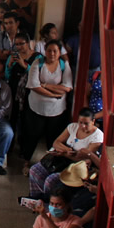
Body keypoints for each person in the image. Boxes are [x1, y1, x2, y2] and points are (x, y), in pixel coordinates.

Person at [20, 41, 73, 171]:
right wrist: (54, 94)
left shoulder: (63, 65)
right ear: (45, 51)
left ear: (60, 52)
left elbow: (66, 88)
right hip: (36, 108)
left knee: (53, 138)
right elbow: (34, 85)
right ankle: (26, 162)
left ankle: (51, 165)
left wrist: (45, 85)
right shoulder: (38, 64)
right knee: (32, 135)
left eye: (55, 51)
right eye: (49, 50)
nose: (52, 54)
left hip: (56, 110)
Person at [28, 107, 101, 198]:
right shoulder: (73, 127)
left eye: (86, 123)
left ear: (93, 121)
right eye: (80, 122)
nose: (82, 126)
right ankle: (36, 198)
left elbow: (82, 157)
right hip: (62, 159)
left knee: (50, 181)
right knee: (34, 170)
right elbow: (56, 143)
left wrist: (64, 153)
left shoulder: (98, 136)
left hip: (76, 167)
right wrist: (68, 150)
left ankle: (48, 202)